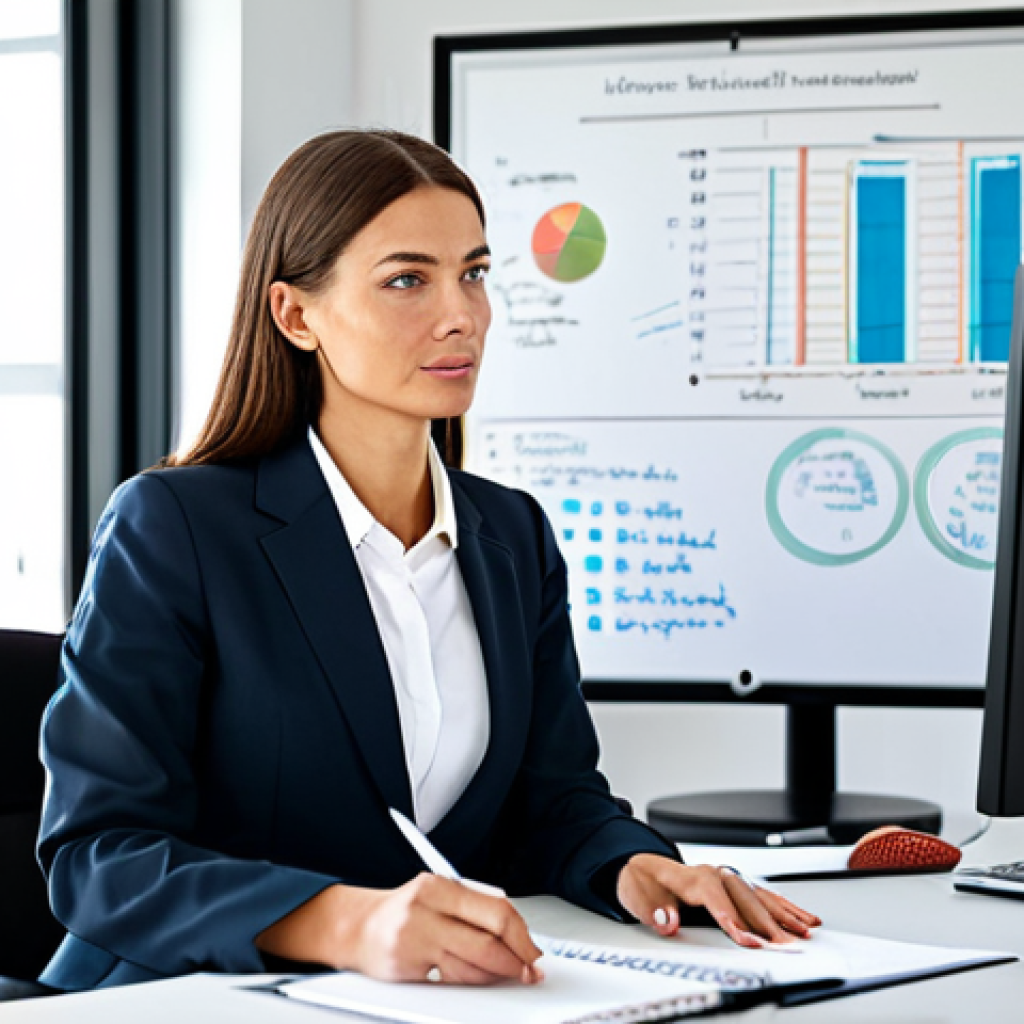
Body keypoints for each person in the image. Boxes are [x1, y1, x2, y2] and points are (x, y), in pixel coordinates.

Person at [37, 129, 819, 992]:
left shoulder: (512, 536)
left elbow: (552, 802)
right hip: (182, 999)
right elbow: (98, 855)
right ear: (296, 316)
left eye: (474, 274)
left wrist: (634, 868)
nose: (461, 316)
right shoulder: (175, 526)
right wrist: (350, 922)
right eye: (408, 280)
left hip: (424, 1002)